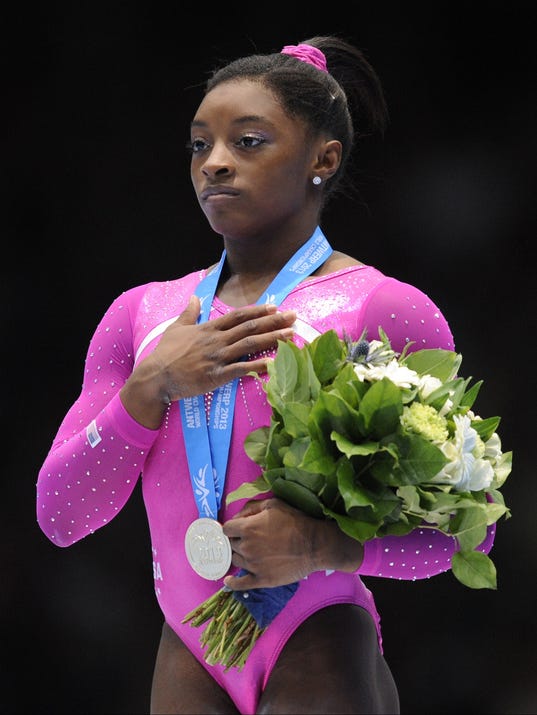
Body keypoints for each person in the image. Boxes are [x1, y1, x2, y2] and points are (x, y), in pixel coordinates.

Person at [36, 35, 496, 714]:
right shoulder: (142, 317)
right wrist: (145, 391)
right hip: (190, 646)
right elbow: (60, 515)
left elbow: (468, 532)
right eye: (200, 145)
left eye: (247, 141)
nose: (214, 164)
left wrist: (323, 544)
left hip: (318, 637)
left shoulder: (384, 308)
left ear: (323, 158)